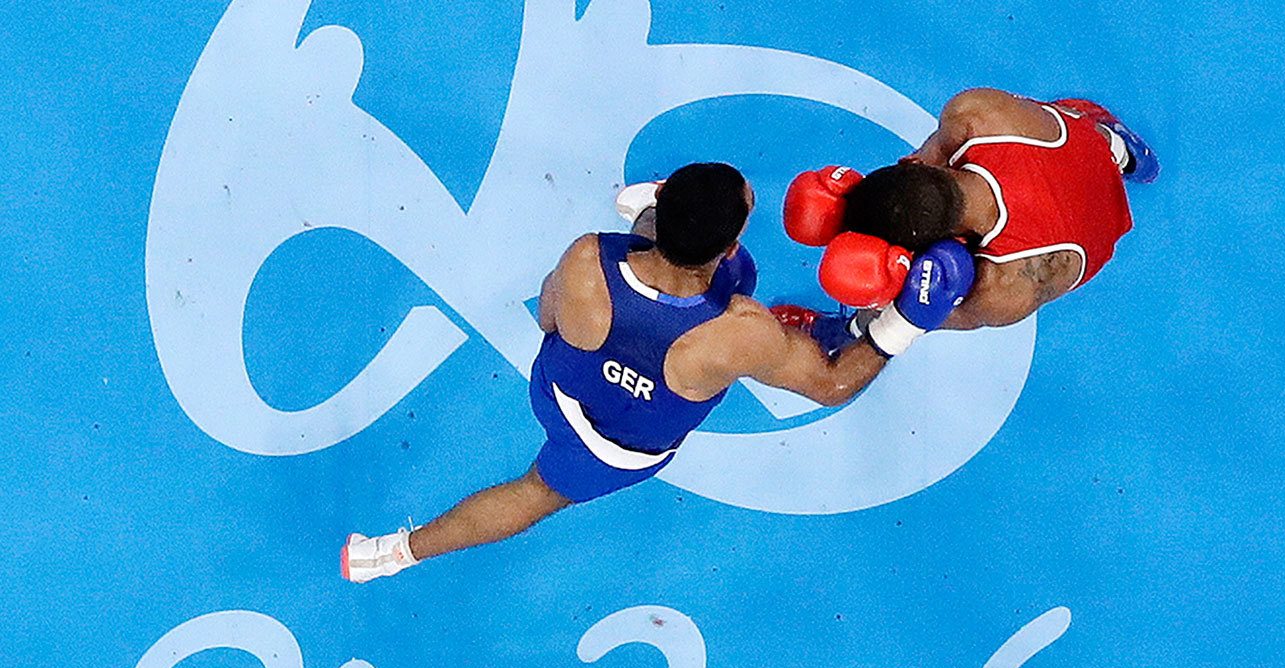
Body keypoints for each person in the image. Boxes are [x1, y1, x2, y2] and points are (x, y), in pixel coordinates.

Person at [341, 162, 971, 582]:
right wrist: (906, 323)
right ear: (728, 241)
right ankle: (396, 554)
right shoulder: (741, 331)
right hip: (612, 449)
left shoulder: (588, 256)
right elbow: (833, 385)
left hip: (557, 388)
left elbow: (547, 317)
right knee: (536, 493)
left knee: (718, 292)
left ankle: (669, 234)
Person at [776, 89, 1158, 352]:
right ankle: (1119, 148)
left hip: (1098, 233)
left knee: (901, 292)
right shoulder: (972, 114)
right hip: (1079, 147)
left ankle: (845, 332)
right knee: (1069, 122)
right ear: (915, 166)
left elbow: (924, 311)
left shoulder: (1002, 287)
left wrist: (888, 301)